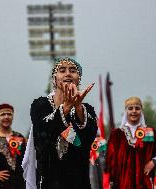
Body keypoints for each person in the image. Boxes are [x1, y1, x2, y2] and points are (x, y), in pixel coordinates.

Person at [30, 57, 98, 189]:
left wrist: (77, 106)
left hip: (79, 181)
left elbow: (88, 139)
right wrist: (66, 107)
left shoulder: (86, 109)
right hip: (49, 181)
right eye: (62, 70)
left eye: (73, 70)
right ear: (54, 79)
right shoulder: (40, 105)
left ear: (78, 79)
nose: (68, 73)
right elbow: (42, 135)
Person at [105, 97, 156, 189]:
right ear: (126, 111)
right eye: (130, 108)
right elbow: (111, 160)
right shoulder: (117, 134)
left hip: (144, 183)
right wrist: (112, 181)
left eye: (137, 108)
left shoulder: (150, 133)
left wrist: (153, 162)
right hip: (122, 184)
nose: (134, 111)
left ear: (141, 111)